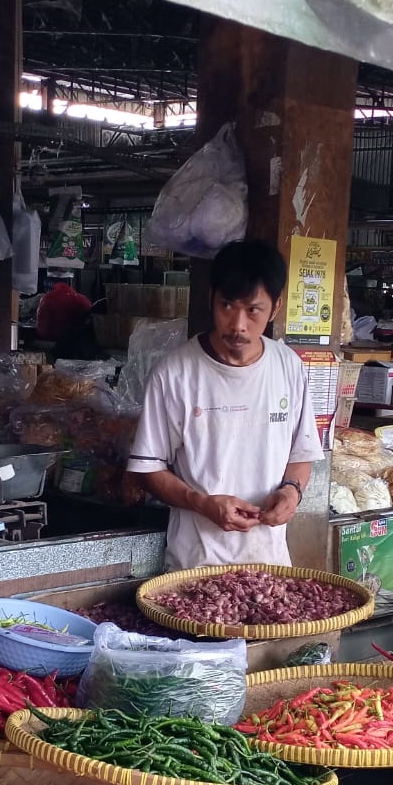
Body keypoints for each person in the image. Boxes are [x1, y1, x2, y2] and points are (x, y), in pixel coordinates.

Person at [126, 239, 324, 569]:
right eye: (227, 306)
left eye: (253, 310)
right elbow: (148, 469)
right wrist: (201, 503)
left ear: (274, 308)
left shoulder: (289, 366)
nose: (237, 324)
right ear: (210, 299)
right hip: (194, 566)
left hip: (270, 566)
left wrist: (291, 491)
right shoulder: (175, 374)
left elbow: (301, 455)